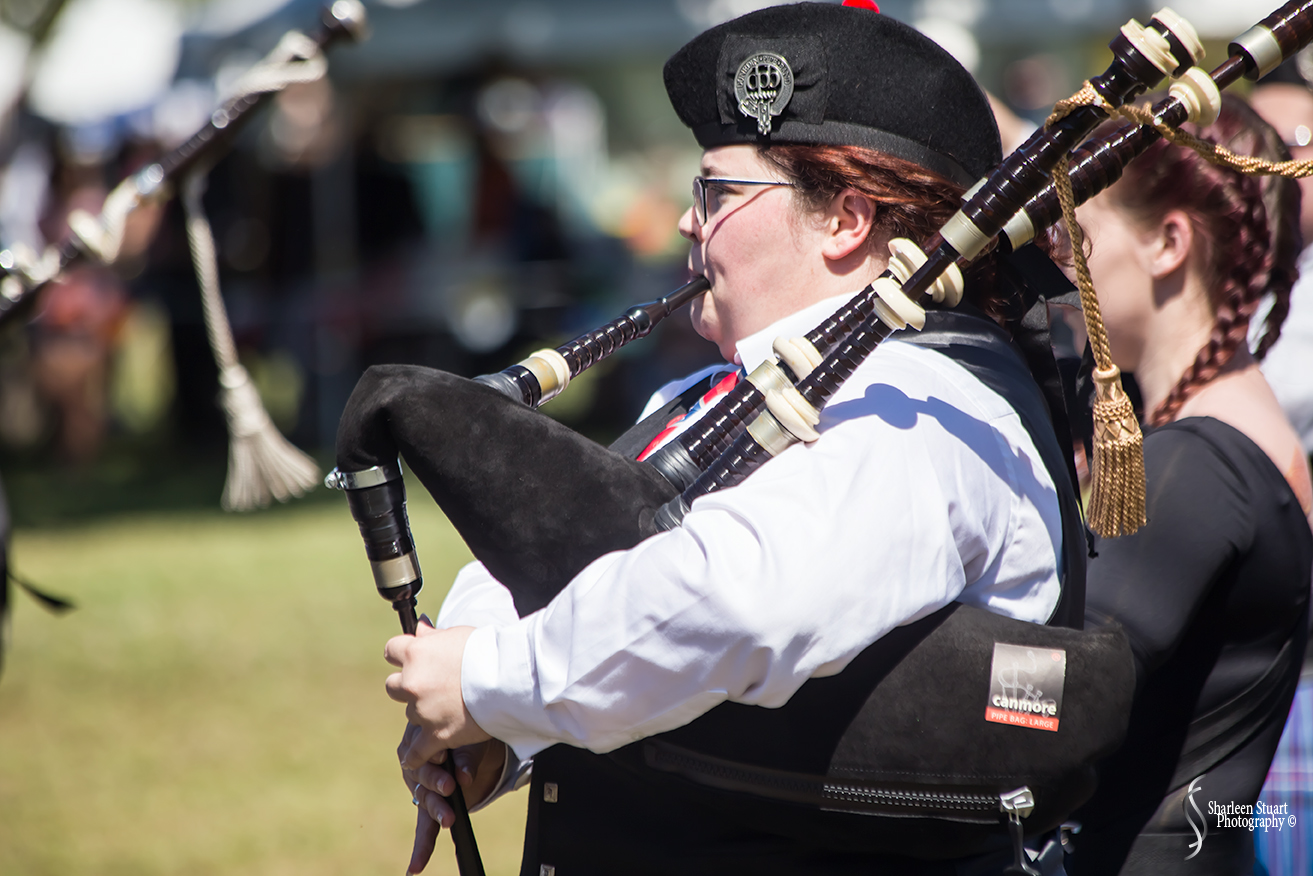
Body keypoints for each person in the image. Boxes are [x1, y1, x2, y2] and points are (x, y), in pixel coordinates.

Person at [383, 4, 1082, 873]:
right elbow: (543, 545)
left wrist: (491, 682)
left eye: (716, 193)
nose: (685, 222)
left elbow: (739, 602)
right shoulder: (708, 393)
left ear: (844, 219)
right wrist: (499, 730)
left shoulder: (919, 408)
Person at [1066, 96, 1313, 875]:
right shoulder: (1226, 435)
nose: (1062, 261)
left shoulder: (1196, 462)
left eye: (1079, 236)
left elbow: (1060, 695)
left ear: (1167, 242)